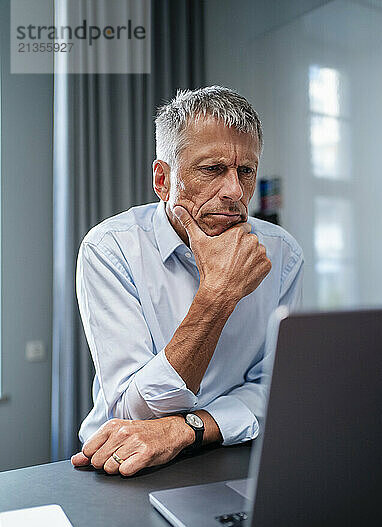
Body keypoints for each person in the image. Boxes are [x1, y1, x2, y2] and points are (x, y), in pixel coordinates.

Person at [71, 86, 304, 476]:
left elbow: (275, 390)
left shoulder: (282, 252)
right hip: (124, 463)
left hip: (236, 455)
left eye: (245, 171)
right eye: (212, 169)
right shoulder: (111, 248)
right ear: (162, 180)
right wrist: (218, 295)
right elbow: (134, 411)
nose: (234, 192)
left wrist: (191, 427)